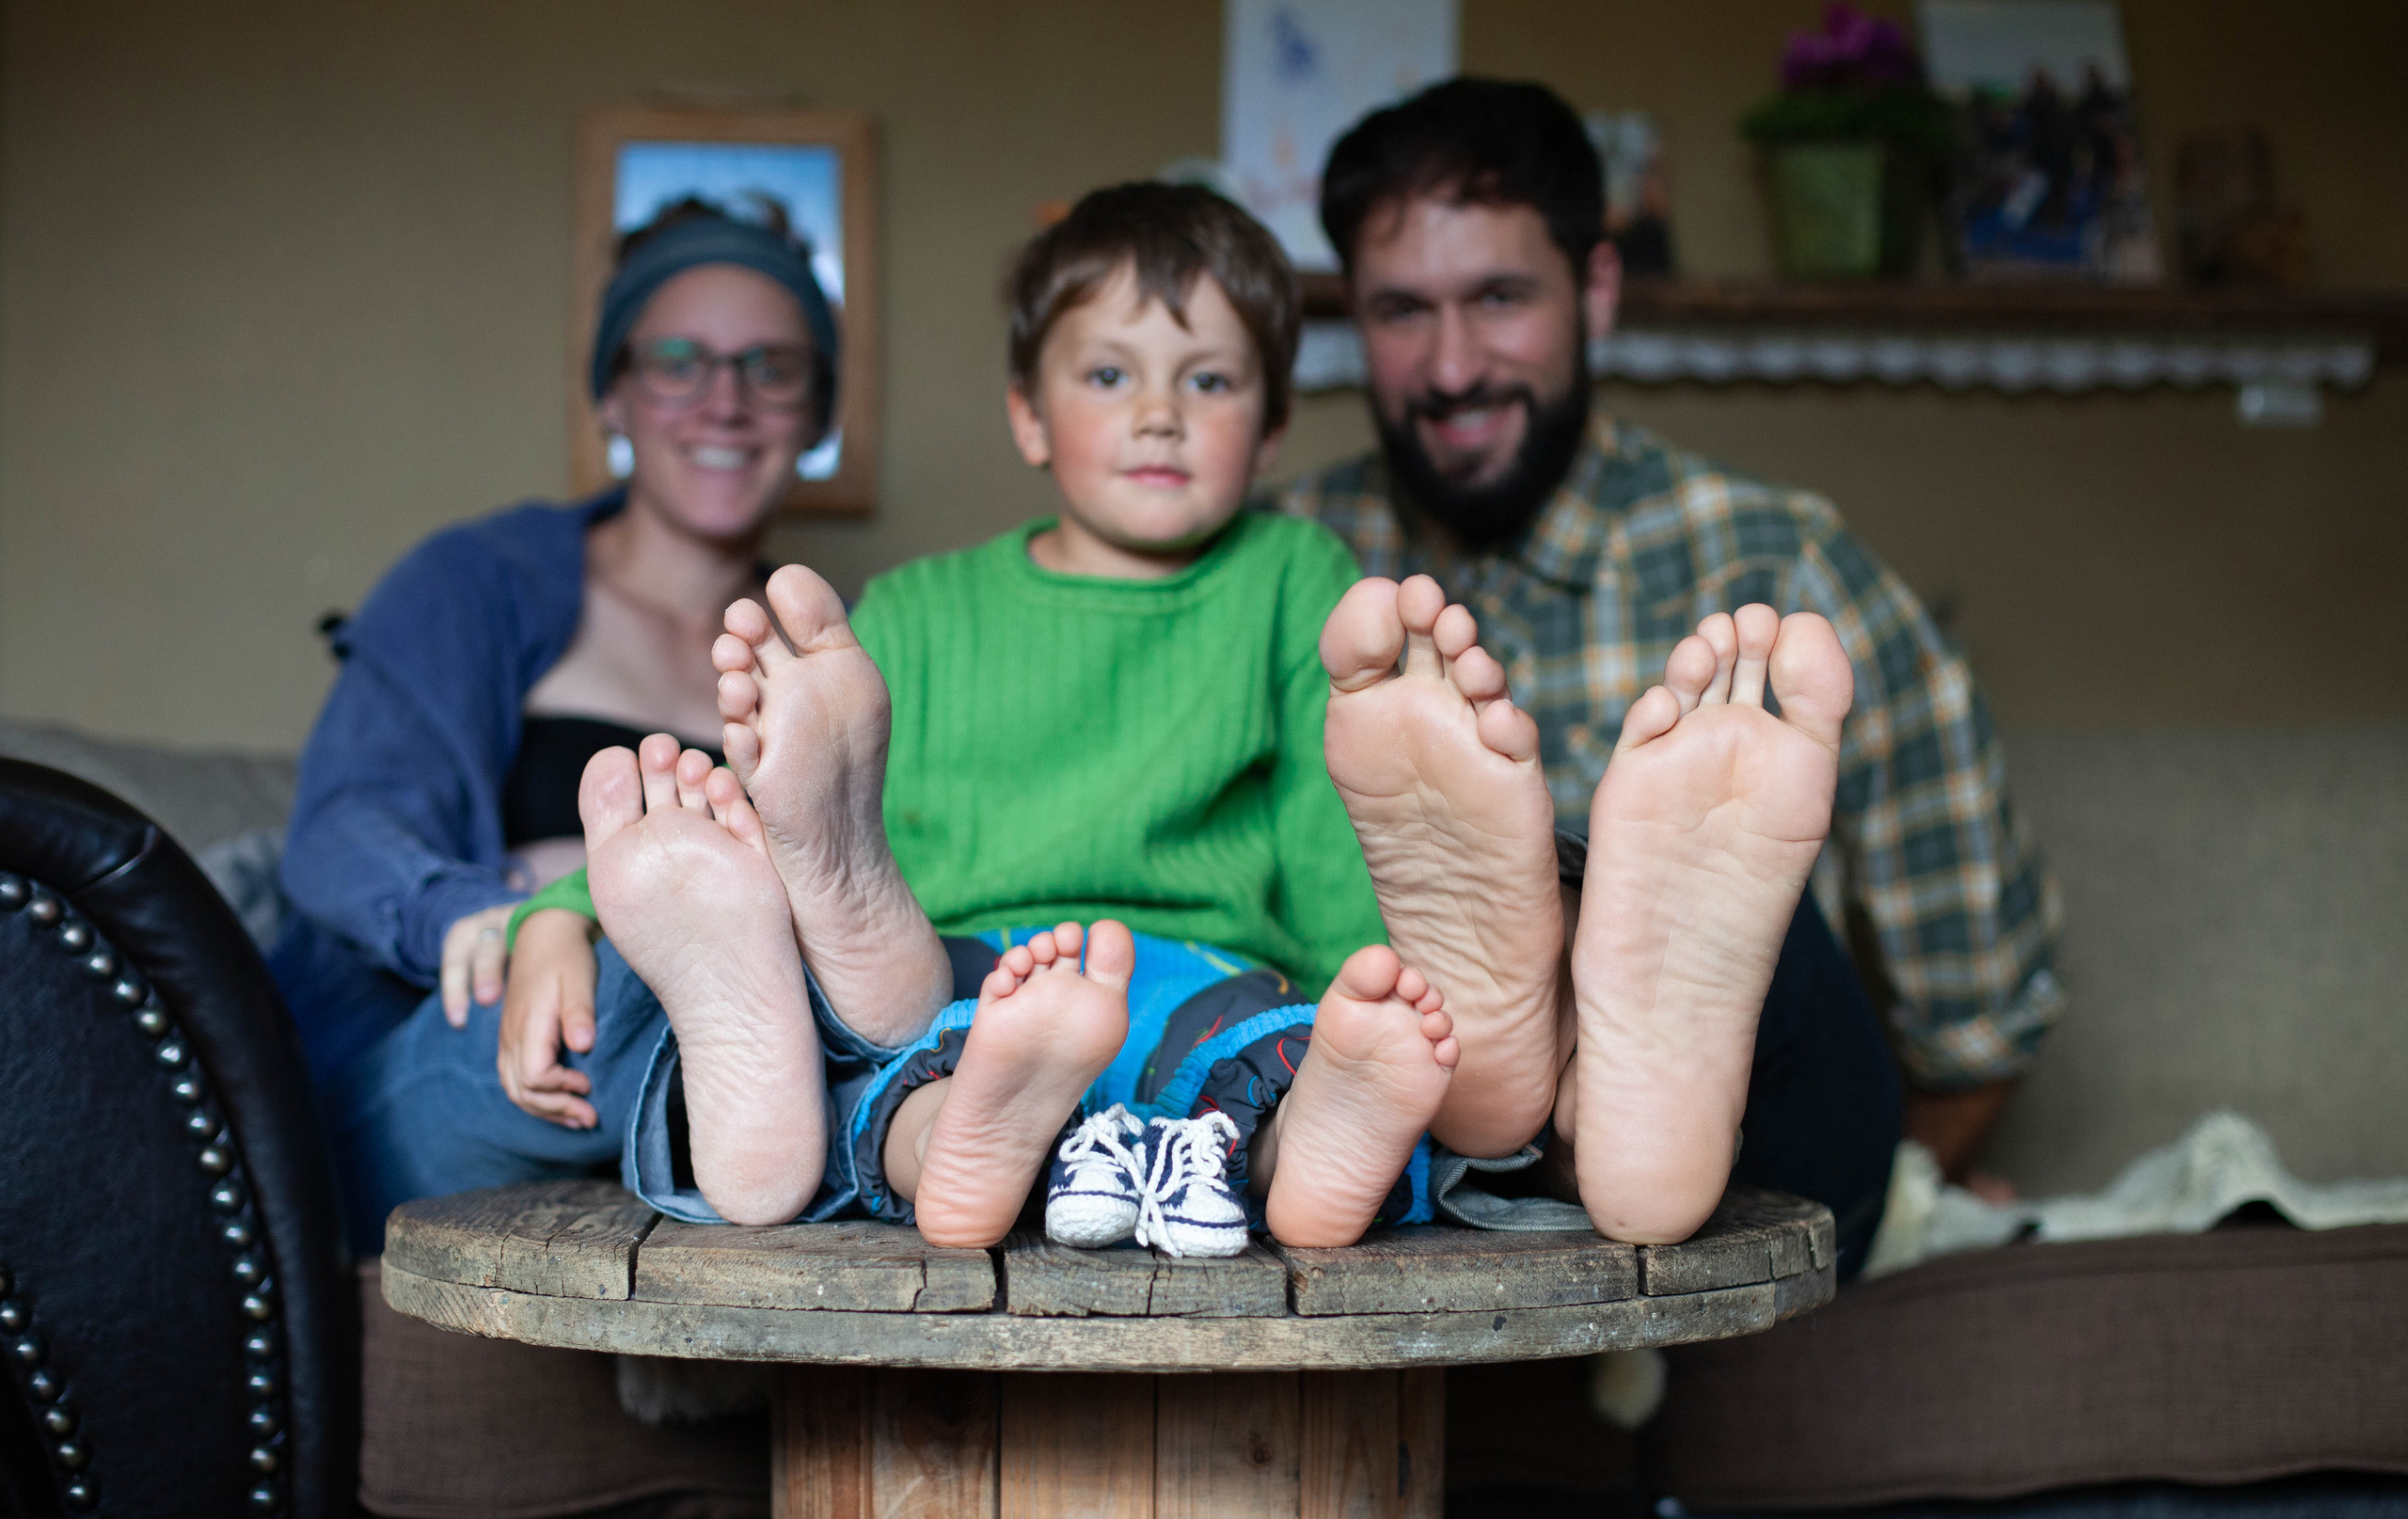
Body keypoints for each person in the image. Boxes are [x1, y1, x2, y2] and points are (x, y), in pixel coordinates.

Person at [522, 181, 1864, 1265]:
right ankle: (873, 949)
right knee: (977, 1044)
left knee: (1243, 1067)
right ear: (1026, 415)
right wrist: (573, 910)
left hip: (1139, 983)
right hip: (1004, 984)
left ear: (1274, 425)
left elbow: (1355, 828)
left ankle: (1300, 1101)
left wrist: (1394, 987)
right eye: (1109, 374)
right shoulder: (909, 615)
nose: (1160, 411)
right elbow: (739, 807)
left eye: (1209, 382)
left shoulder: (1298, 589)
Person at [1280, 78, 2065, 1266]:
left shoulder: (1773, 561)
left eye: (1497, 298)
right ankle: (1522, 1090)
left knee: (1747, 921)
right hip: (1381, 1162)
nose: (1449, 367)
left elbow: (1978, 1011)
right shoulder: (1290, 569)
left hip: (1755, 1162)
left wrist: (1878, 1208)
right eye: (1400, 311)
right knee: (1376, 1011)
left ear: (1594, 290)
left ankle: (1629, 1050)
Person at [272, 196, 862, 1250]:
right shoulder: (474, 586)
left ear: (815, 417)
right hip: (480, 1043)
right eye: (678, 361)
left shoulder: (826, 651)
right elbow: (342, 828)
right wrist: (484, 917)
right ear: (612, 396)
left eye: (771, 369)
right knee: (610, 1000)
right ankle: (689, 1029)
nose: (724, 402)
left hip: (750, 1044)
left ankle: (775, 1113)